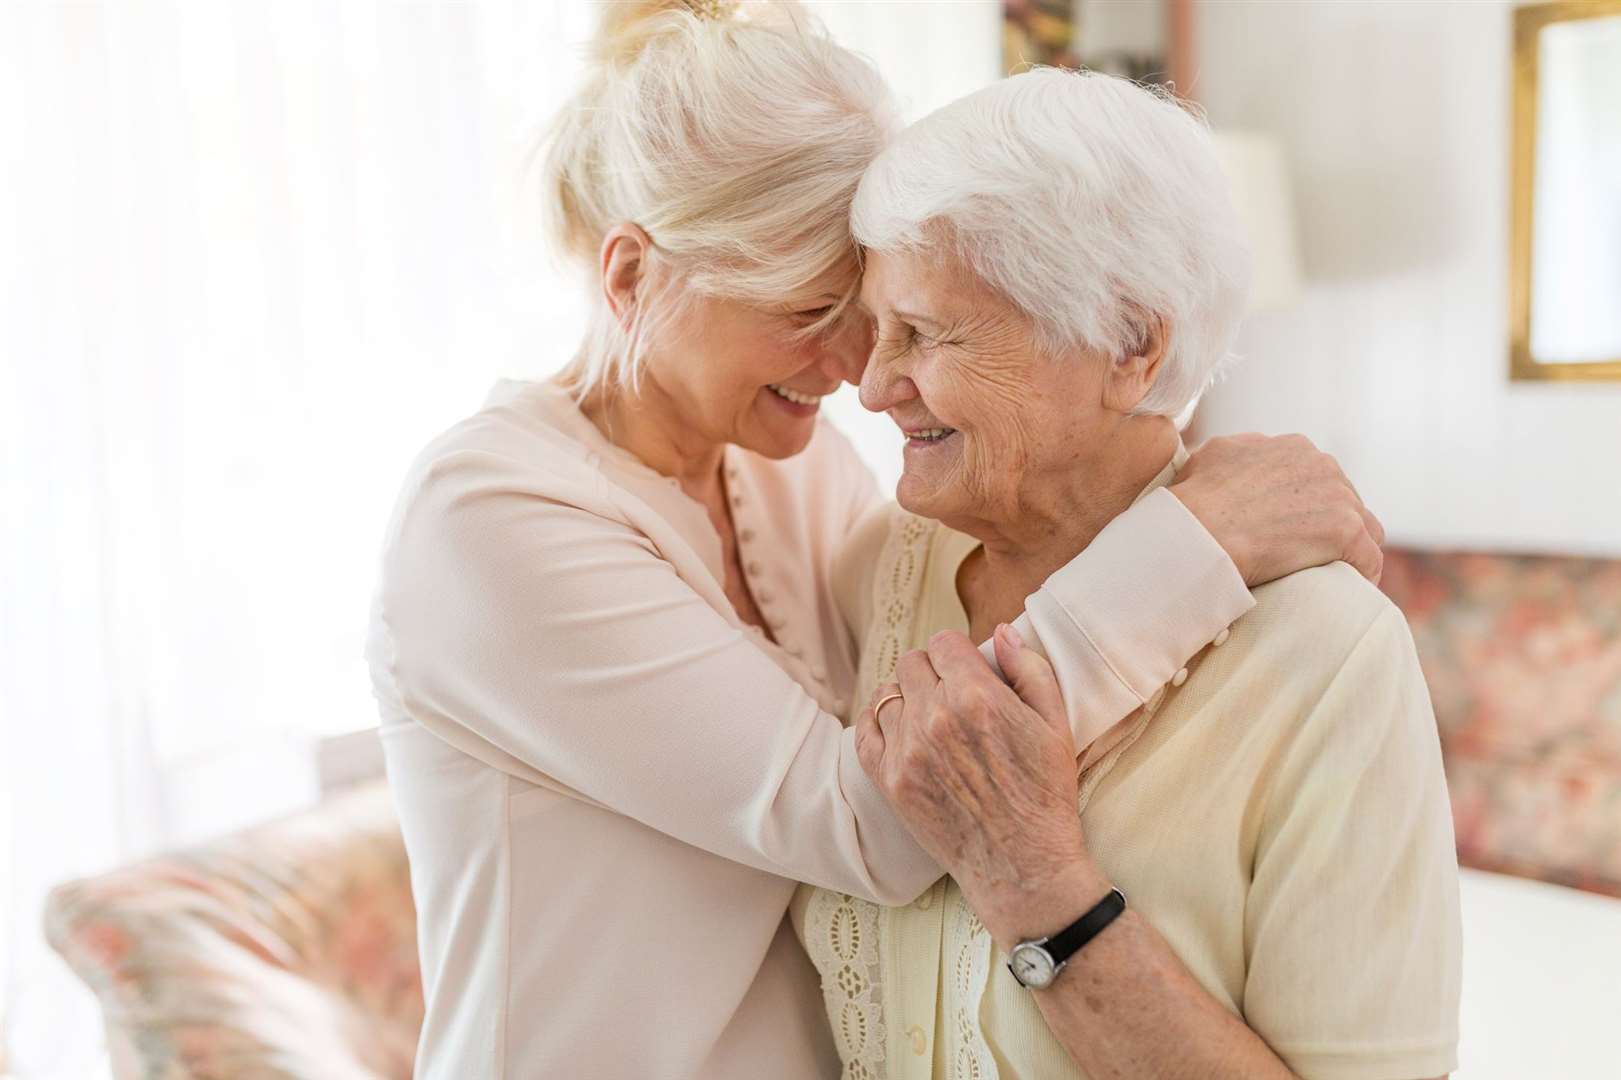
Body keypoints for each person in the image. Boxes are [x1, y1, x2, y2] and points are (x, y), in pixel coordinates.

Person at [367, 4, 1387, 1077]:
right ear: (630, 277)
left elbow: (943, 632)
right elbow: (880, 822)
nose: (856, 367)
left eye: (868, 307)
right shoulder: (487, 521)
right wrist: (1196, 542)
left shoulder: (782, 460)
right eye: (809, 309)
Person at [801, 68, 1461, 1079]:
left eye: (925, 334)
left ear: (1128, 345)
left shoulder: (1328, 655)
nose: (875, 384)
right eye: (875, 329)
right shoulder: (869, 573)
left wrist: (1033, 883)